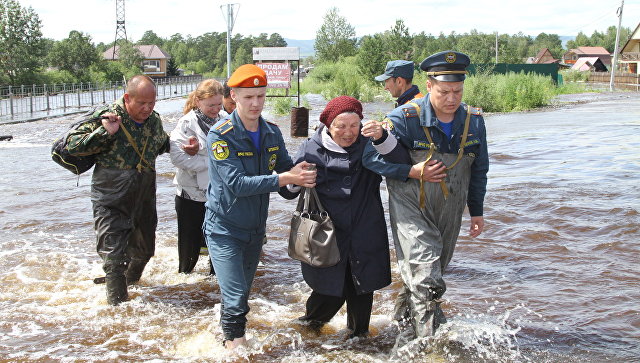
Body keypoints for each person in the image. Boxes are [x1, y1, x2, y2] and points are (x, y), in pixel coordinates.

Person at [362, 51, 489, 342]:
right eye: (444, 91)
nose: (452, 98)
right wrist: (411, 171)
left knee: (429, 275)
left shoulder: (475, 122)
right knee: (427, 277)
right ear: (429, 85)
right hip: (411, 206)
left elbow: (479, 169)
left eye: (457, 91)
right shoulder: (404, 118)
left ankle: (401, 326)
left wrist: (477, 211)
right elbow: (370, 159)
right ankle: (430, 347)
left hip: (450, 208)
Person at [203, 64, 317, 349]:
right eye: (248, 97)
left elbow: (285, 179)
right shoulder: (221, 134)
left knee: (241, 295)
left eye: (261, 96)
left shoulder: (271, 132)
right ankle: (235, 348)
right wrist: (285, 177)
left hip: (255, 230)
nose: (255, 103)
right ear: (234, 96)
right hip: (224, 229)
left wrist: (299, 177)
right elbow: (237, 184)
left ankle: (228, 339)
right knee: (235, 296)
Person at [283, 96, 391, 339]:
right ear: (328, 125)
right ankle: (304, 330)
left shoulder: (370, 143)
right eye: (341, 126)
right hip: (327, 234)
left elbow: (399, 163)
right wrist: (295, 179)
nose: (348, 132)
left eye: (354, 125)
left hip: (365, 230)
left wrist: (384, 137)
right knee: (331, 290)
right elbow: (287, 191)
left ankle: (359, 339)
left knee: (362, 285)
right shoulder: (312, 148)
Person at [66, 75, 170, 306]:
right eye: (142, 103)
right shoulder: (107, 117)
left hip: (143, 193)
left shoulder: (154, 121)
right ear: (127, 98)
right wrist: (105, 131)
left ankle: (129, 285)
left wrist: (187, 147)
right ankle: (118, 309)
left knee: (144, 251)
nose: (147, 108)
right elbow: (72, 146)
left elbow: (162, 143)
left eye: (152, 103)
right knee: (114, 257)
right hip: (111, 195)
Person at [170, 79, 224, 274]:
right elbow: (177, 157)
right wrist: (212, 163)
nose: (215, 109)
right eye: (211, 105)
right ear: (199, 101)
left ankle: (215, 281)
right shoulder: (186, 123)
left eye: (219, 104)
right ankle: (184, 279)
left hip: (218, 193)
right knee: (189, 244)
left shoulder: (225, 119)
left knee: (218, 241)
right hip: (190, 194)